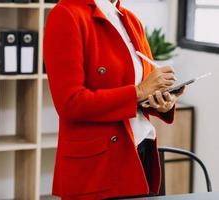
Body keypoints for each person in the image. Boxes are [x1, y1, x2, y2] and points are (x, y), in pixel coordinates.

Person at [43, 0, 184, 199]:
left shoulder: (131, 19)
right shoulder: (66, 14)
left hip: (141, 152)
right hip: (98, 166)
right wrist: (140, 91)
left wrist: (162, 102)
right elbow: (70, 103)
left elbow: (145, 88)